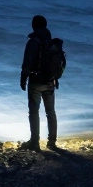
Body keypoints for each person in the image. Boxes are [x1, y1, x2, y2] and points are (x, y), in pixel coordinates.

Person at [20, 15, 61, 151]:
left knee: (34, 112)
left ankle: (35, 142)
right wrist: (55, 78)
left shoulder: (33, 42)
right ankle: (52, 142)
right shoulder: (51, 42)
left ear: (33, 26)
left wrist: (23, 78)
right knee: (50, 112)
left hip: (36, 81)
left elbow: (28, 62)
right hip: (50, 81)